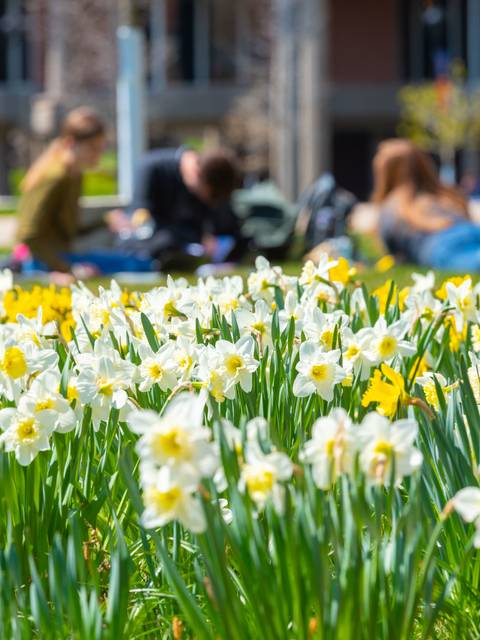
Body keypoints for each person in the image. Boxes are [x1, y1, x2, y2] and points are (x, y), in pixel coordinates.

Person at [16, 107, 152, 284]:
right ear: (70, 143)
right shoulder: (55, 177)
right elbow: (29, 235)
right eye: (92, 148)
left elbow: (69, 230)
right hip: (41, 262)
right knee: (136, 265)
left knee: (138, 263)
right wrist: (68, 269)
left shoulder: (74, 176)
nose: (98, 154)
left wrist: (106, 221)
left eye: (101, 148)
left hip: (62, 256)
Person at [125, 146, 245, 268]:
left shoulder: (209, 187)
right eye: (210, 195)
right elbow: (140, 224)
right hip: (147, 249)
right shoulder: (152, 168)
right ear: (196, 173)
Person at [372, 138, 480, 271]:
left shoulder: (392, 206)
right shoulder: (444, 193)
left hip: (441, 245)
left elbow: (391, 253)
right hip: (472, 230)